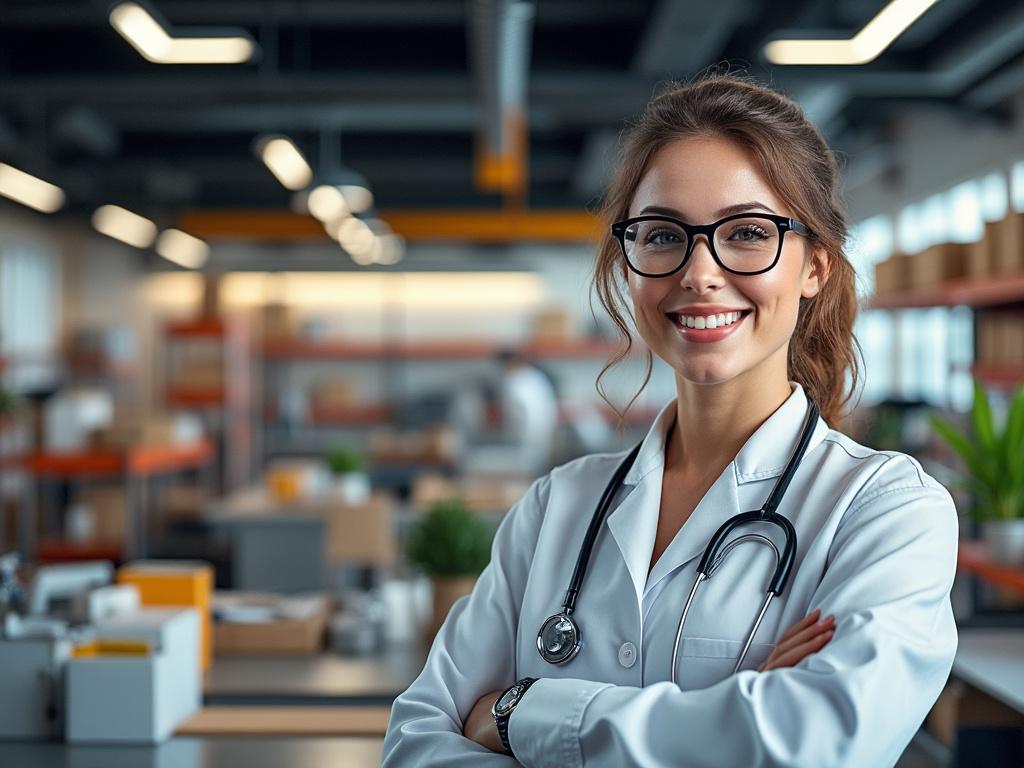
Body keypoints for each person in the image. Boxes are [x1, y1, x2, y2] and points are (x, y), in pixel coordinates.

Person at [382, 71, 958, 767]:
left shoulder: (887, 511)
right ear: (630, 265)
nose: (699, 271)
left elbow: (812, 743)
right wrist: (730, 718)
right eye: (663, 235)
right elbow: (415, 743)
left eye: (747, 233)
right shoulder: (557, 508)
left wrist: (518, 713)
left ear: (816, 268)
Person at [495, 347, 559, 476]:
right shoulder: (535, 376)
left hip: (528, 442)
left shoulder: (516, 382)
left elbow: (531, 417)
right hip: (540, 439)